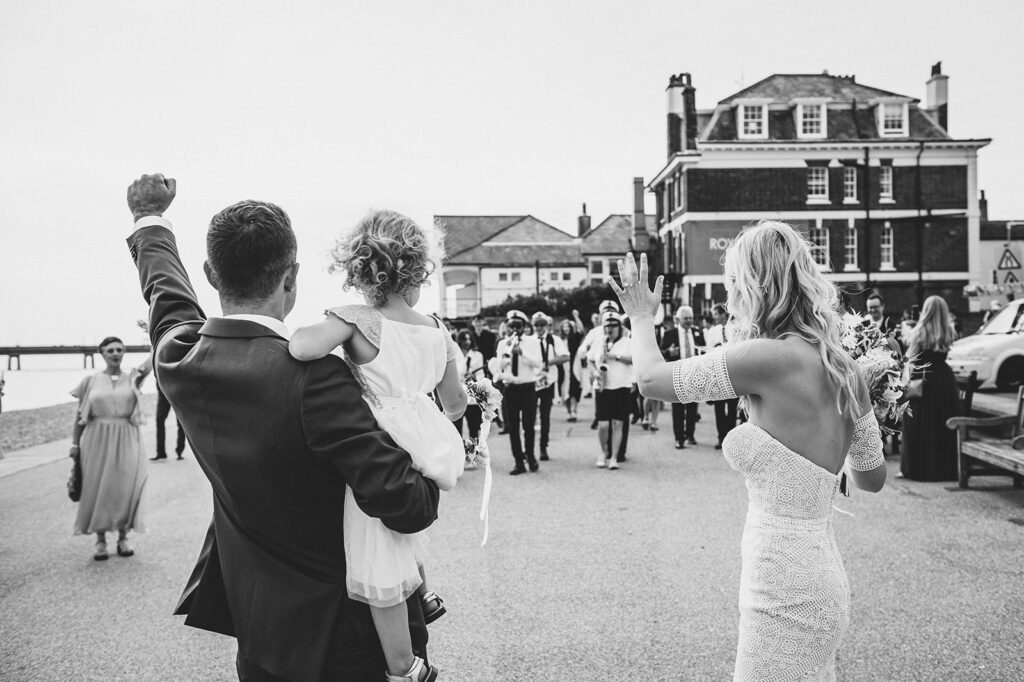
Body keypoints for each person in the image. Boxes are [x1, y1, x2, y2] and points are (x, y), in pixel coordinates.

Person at [125, 174, 440, 682]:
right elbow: (407, 506)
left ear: (211, 273)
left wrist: (149, 218)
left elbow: (167, 297)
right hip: (346, 642)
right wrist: (434, 452)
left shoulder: (178, 357)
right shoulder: (315, 378)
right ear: (291, 278)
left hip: (261, 638)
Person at [609, 223, 887, 680]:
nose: (730, 294)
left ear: (755, 283)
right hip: (822, 570)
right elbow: (869, 479)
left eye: (734, 282)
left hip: (783, 581)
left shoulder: (766, 357)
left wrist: (641, 317)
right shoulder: (847, 368)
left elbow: (651, 381)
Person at [289, 210, 467, 682]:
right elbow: (455, 401)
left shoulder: (359, 321)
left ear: (360, 269)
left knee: (376, 550)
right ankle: (425, 595)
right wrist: (422, 419)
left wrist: (334, 324)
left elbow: (301, 349)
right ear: (417, 267)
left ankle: (404, 667)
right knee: (406, 525)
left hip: (381, 442)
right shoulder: (436, 327)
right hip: (426, 442)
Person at [69, 336, 151, 561]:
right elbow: (79, 416)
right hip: (96, 438)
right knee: (98, 487)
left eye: (119, 349)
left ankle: (123, 538)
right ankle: (100, 540)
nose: (115, 353)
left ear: (124, 352)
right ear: (102, 353)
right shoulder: (90, 381)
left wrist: (154, 331)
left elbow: (154, 359)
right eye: (110, 350)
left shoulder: (133, 378)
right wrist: (75, 444)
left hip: (127, 436)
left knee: (124, 486)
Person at [900, 295, 961, 482]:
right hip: (944, 380)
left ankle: (917, 469)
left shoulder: (919, 332)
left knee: (918, 424)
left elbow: (911, 359)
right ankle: (945, 469)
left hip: (924, 380)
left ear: (925, 311)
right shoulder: (949, 331)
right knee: (941, 424)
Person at [496, 310, 543, 475]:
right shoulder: (503, 344)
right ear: (507, 327)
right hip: (510, 389)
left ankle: (530, 456)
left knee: (528, 426)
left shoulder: (532, 342)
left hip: (528, 388)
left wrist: (522, 353)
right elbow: (499, 368)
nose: (515, 329)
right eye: (511, 326)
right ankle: (518, 461)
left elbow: (538, 363)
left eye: (518, 325)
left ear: (524, 327)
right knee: (513, 427)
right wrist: (505, 360)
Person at [587, 310, 633, 469]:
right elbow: (590, 360)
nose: (610, 329)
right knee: (603, 425)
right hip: (602, 386)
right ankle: (603, 451)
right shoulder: (599, 341)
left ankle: (614, 457)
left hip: (621, 386)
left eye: (613, 325)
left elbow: (634, 359)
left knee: (618, 424)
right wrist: (594, 371)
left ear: (619, 327)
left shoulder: (627, 341)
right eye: (607, 326)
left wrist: (614, 357)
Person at [659, 306, 704, 449]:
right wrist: (668, 352)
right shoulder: (669, 334)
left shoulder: (698, 332)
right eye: (686, 318)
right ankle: (679, 438)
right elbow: (661, 353)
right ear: (678, 319)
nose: (689, 321)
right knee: (678, 409)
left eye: (691, 318)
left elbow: (703, 351)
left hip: (694, 375)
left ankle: (690, 434)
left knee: (692, 408)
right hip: (677, 375)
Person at [531, 312, 569, 460]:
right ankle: (529, 449)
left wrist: (549, 363)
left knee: (545, 416)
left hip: (548, 382)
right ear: (533, 326)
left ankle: (543, 447)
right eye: (536, 325)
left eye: (542, 325)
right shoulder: (529, 340)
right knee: (531, 416)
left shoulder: (554, 340)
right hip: (532, 381)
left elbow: (566, 356)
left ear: (547, 326)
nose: (539, 328)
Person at [706, 304, 739, 449]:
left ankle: (731, 439)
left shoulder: (736, 329)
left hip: (733, 374)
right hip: (718, 373)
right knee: (719, 409)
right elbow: (708, 351)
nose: (714, 317)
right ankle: (721, 438)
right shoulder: (712, 331)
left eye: (715, 314)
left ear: (722, 314)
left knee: (732, 409)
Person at [454, 329, 485, 441]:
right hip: (458, 394)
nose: (467, 342)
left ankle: (473, 455)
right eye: (464, 339)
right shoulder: (454, 355)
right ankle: (460, 454)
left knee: (474, 428)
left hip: (472, 395)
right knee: (456, 429)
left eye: (469, 339)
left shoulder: (477, 355)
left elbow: (481, 376)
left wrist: (474, 377)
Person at [557, 318, 583, 422]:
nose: (566, 328)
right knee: (564, 391)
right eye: (564, 326)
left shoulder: (574, 338)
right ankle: (568, 411)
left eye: (568, 326)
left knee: (573, 390)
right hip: (562, 368)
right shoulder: (559, 340)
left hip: (573, 367)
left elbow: (581, 330)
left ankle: (574, 411)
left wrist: (577, 317)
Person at [153, 387, 186, 461]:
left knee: (181, 422)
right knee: (159, 420)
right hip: (163, 392)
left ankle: (180, 451)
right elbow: (144, 374)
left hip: (178, 391)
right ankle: (161, 453)